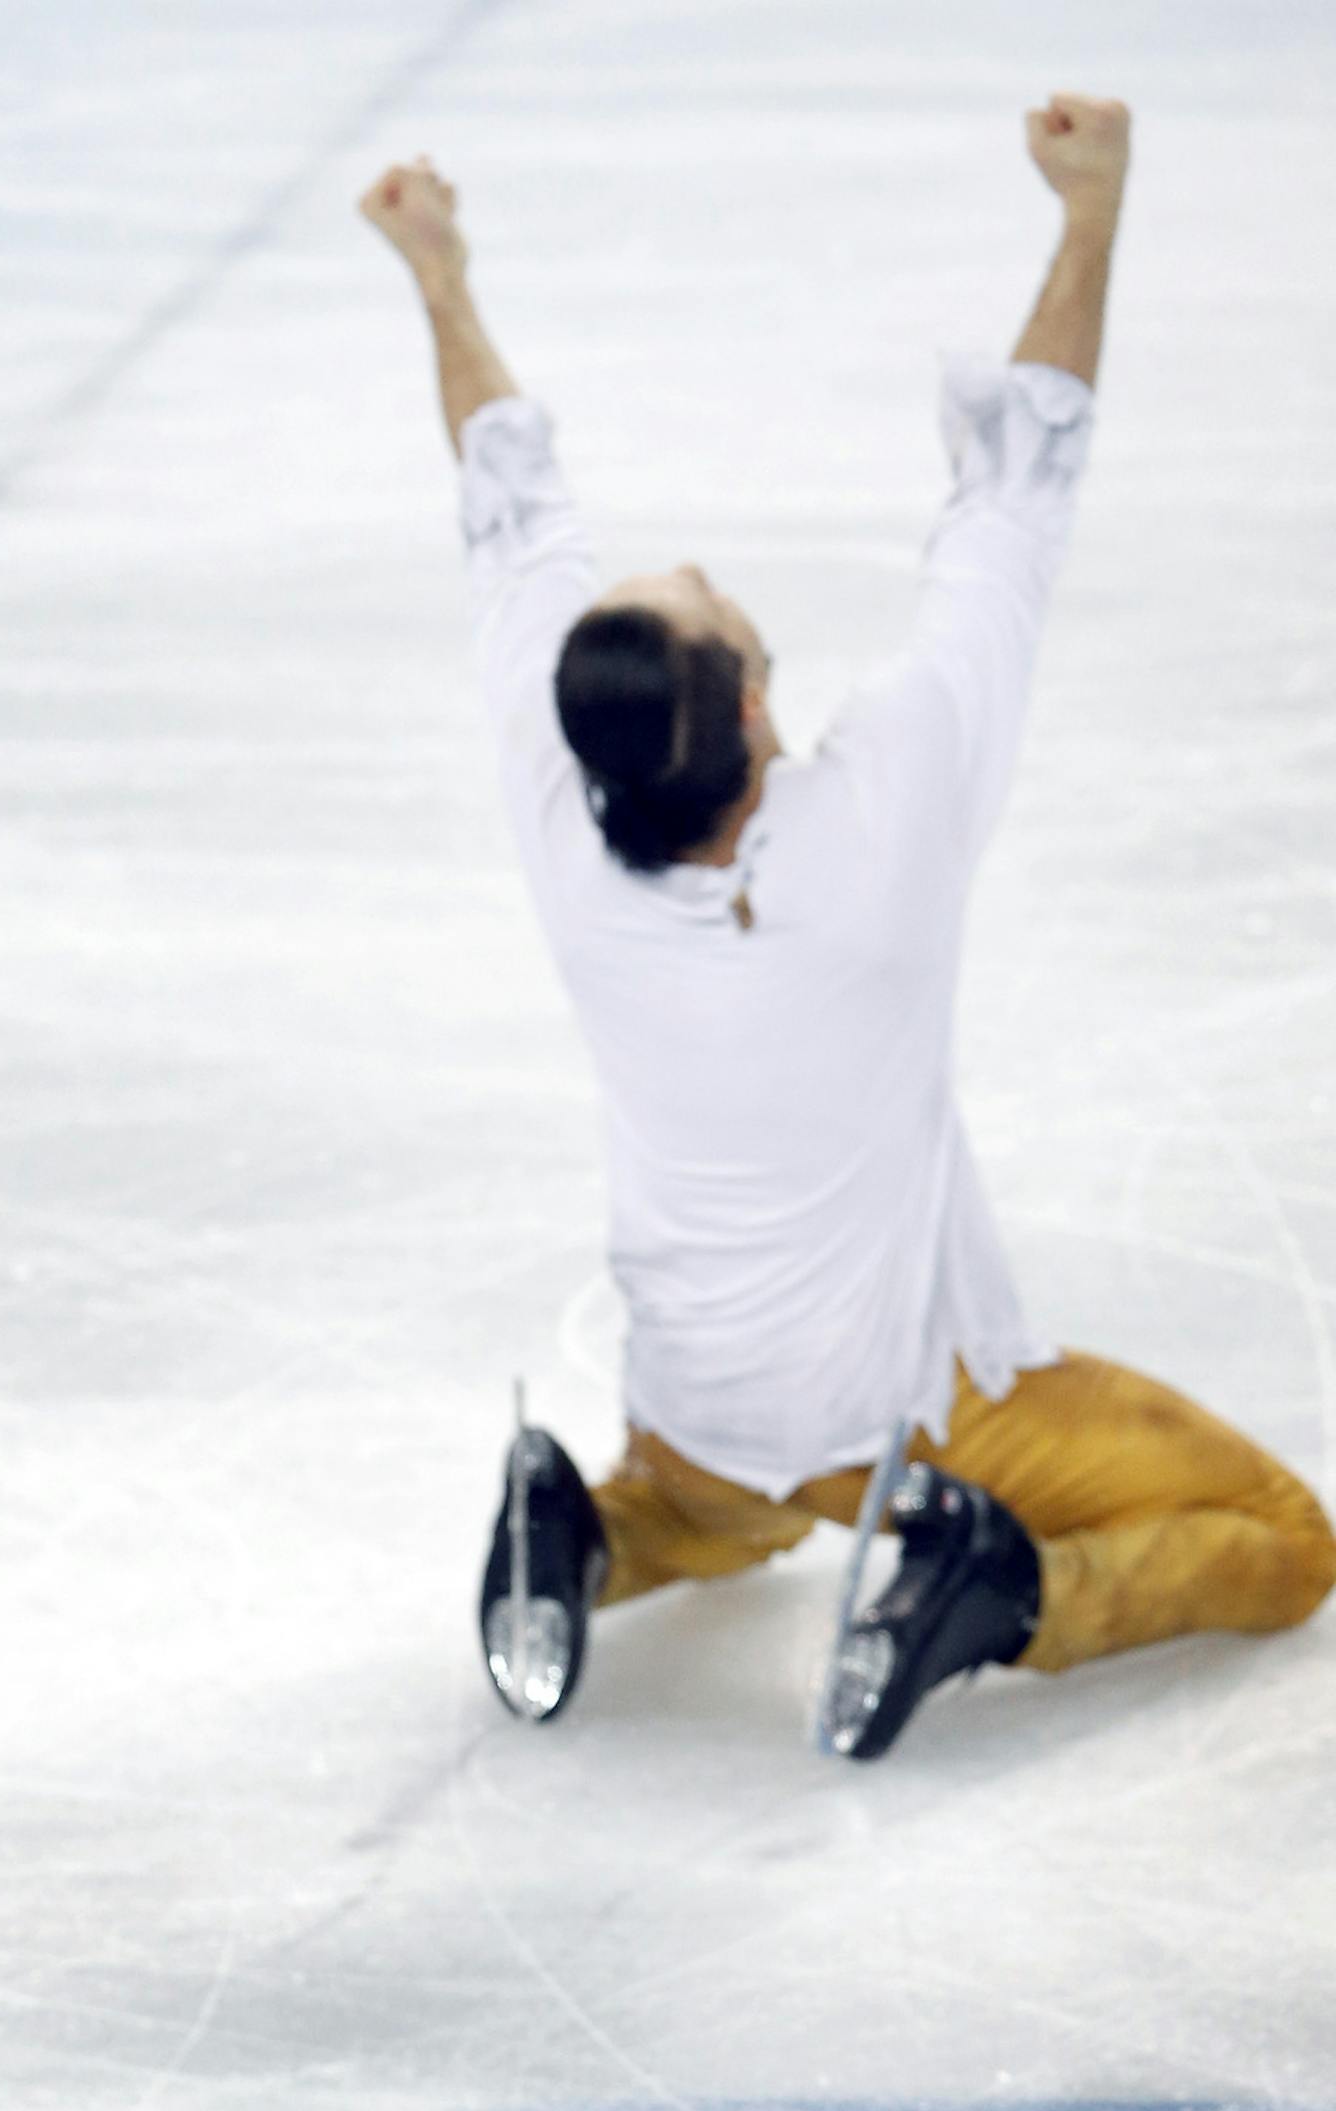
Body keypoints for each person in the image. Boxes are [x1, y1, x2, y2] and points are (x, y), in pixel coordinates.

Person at [359, 103, 1335, 1755]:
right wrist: (1090, 217)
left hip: (702, 1405)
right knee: (1289, 1544)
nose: (688, 563)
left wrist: (438, 277)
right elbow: (1016, 499)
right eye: (696, 594)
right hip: (915, 1409)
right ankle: (994, 1591)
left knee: (726, 1510)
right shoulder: (881, 825)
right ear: (749, 698)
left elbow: (509, 517)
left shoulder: (567, 809)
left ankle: (588, 1532)